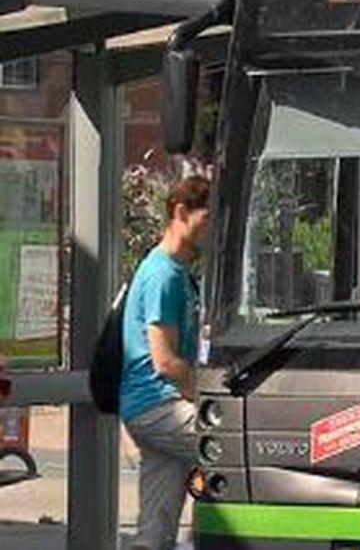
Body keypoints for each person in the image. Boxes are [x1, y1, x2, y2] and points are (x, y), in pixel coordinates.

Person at [119, 175, 210, 550]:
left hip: (150, 407)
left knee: (155, 530)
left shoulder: (178, 274)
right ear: (181, 213)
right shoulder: (163, 275)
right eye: (208, 218)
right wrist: (208, 398)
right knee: (233, 447)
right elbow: (166, 362)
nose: (213, 229)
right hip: (158, 404)